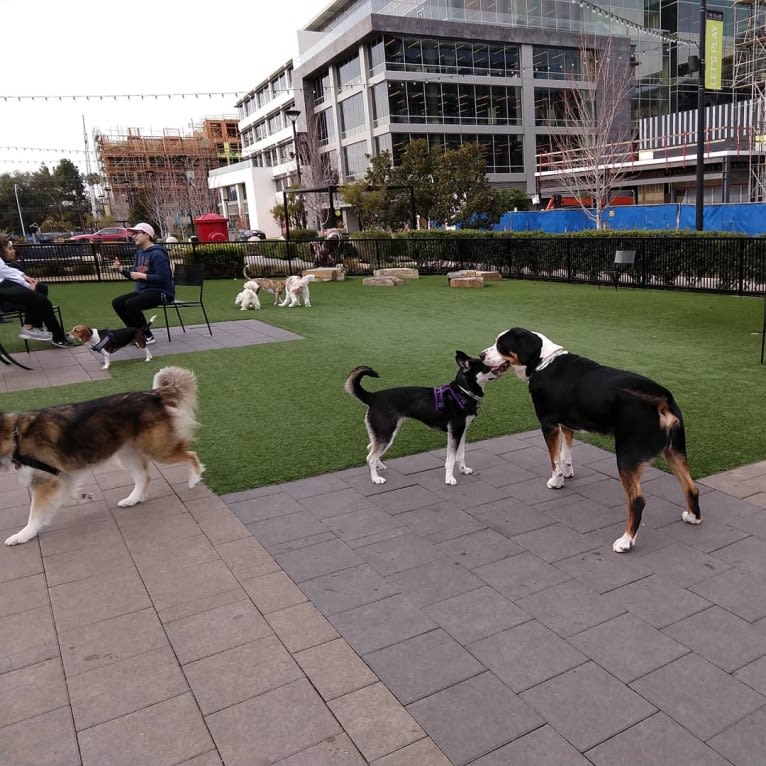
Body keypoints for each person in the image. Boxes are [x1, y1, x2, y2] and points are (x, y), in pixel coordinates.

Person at [0, 233, 73, 347]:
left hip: (10, 290)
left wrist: (24, 278)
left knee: (41, 291)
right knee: (43, 302)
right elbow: (4, 271)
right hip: (7, 297)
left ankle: (35, 327)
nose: (13, 251)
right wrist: (26, 284)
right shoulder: (7, 265)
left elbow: (4, 270)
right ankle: (44, 332)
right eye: (9, 248)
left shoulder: (10, 264)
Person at [111, 223, 174, 344]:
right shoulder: (140, 253)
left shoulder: (157, 254)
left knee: (131, 304)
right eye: (132, 234)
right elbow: (134, 275)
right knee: (118, 302)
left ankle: (147, 336)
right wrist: (121, 270)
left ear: (147, 235)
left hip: (162, 292)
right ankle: (134, 334)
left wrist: (143, 276)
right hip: (144, 291)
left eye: (136, 233)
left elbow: (164, 278)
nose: (133, 236)